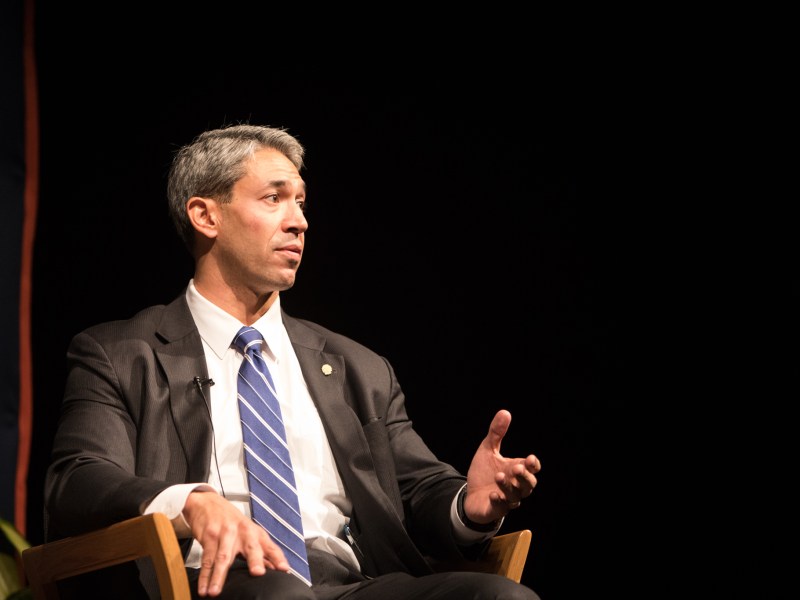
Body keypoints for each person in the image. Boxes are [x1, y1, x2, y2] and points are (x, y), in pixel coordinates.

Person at [44, 123, 542, 600]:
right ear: (206, 216)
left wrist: (470, 506)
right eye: (273, 198)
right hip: (216, 582)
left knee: (497, 595)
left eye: (301, 202)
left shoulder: (358, 368)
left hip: (353, 582)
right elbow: (79, 479)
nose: (299, 220)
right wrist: (189, 502)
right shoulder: (122, 353)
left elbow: (420, 489)